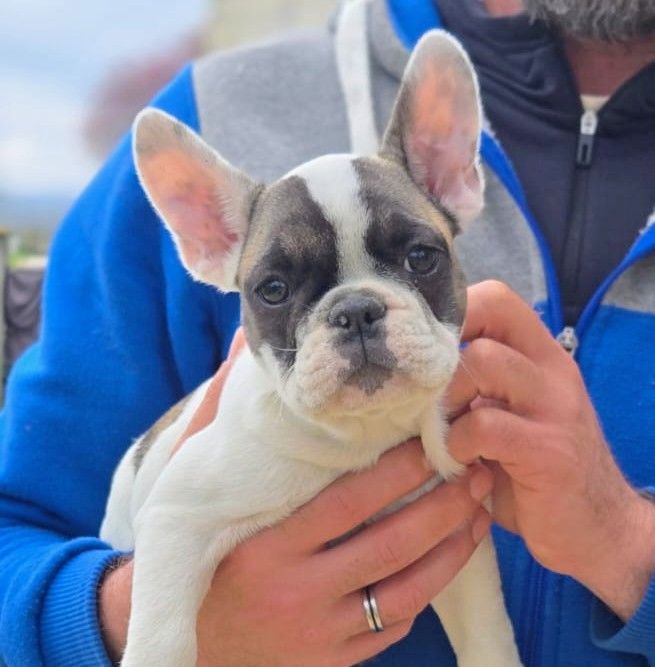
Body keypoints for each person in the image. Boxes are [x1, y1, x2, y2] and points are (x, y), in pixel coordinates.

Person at [1, 0, 654, 665]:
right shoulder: (213, 104)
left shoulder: (444, 415)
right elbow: (66, 524)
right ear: (210, 243)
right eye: (277, 290)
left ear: (454, 180)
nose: (358, 323)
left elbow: (460, 556)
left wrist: (627, 543)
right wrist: (121, 625)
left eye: (417, 259)